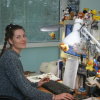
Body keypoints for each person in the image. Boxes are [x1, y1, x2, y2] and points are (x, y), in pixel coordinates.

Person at [0, 24, 74, 100]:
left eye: (24, 36)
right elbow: (27, 91)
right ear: (11, 41)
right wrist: (54, 97)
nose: (23, 39)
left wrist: (37, 84)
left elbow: (20, 83)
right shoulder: (11, 58)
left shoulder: (9, 54)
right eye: (18, 37)